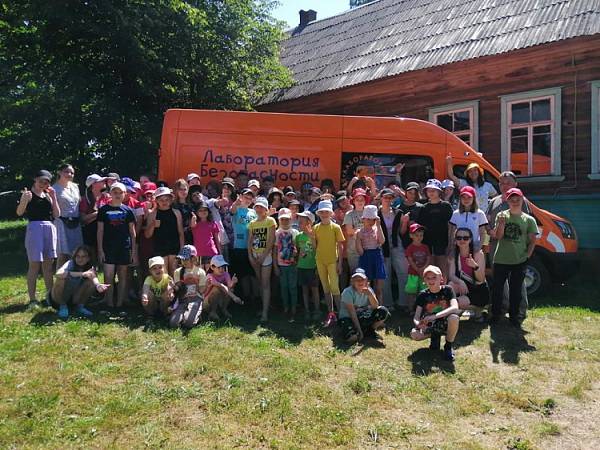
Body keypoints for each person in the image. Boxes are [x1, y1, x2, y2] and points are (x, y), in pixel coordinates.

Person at [486, 171, 531, 320]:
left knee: (517, 281)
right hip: (496, 247)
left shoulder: (521, 201)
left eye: (508, 183)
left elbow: (526, 223)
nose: (504, 186)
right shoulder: (494, 201)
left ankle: (520, 310)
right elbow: (487, 221)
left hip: (515, 247)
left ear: (515, 184)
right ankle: (503, 307)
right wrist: (490, 231)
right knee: (499, 281)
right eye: (501, 183)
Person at [490, 188, 538, 327]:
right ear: (508, 201)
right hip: (501, 259)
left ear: (522, 200)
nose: (515, 202)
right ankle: (496, 315)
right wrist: (501, 224)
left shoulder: (529, 220)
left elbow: (532, 241)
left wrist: (527, 256)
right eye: (512, 199)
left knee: (516, 290)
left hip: (519, 260)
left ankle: (514, 316)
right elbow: (498, 236)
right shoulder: (502, 215)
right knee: (498, 290)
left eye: (518, 199)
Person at [16, 170, 60, 308]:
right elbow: (19, 212)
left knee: (48, 266)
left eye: (46, 182)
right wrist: (24, 200)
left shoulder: (48, 196)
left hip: (49, 228)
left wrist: (54, 197)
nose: (43, 184)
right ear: (35, 179)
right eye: (41, 181)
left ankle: (50, 297)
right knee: (34, 265)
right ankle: (32, 299)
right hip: (35, 229)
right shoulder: (28, 194)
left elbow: (57, 214)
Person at [97, 182, 137, 308]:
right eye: (115, 192)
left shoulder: (128, 210)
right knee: (108, 276)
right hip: (108, 247)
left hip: (124, 247)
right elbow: (100, 231)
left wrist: (133, 251)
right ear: (110, 193)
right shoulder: (103, 210)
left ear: (125, 194)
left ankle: (119, 303)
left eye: (121, 192)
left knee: (122, 275)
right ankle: (109, 303)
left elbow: (132, 232)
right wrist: (100, 249)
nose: (118, 195)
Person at [410, 265, 460, 361]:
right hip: (430, 324)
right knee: (414, 334)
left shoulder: (448, 290)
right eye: (428, 278)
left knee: (454, 318)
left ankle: (448, 346)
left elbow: (455, 307)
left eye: (434, 277)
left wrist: (434, 316)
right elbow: (416, 316)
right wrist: (419, 324)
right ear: (424, 280)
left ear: (441, 278)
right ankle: (435, 336)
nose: (431, 280)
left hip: (445, 323)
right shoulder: (422, 295)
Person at [50, 245, 109, 319]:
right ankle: (62, 306)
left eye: (83, 256)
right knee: (60, 279)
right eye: (78, 256)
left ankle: (80, 307)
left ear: (88, 258)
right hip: (57, 299)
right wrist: (82, 274)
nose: (80, 259)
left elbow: (93, 277)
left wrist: (98, 285)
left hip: (74, 297)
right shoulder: (70, 263)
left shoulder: (90, 267)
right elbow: (58, 274)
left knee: (91, 282)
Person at [390, 181, 422, 311]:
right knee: (406, 274)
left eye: (415, 193)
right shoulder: (399, 208)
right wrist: (405, 223)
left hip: (418, 245)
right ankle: (406, 303)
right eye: (410, 192)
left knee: (419, 274)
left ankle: (419, 303)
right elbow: (401, 232)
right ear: (406, 192)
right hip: (403, 245)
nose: (412, 195)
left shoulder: (421, 207)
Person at [312, 200, 345, 326]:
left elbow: (340, 246)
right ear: (319, 213)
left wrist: (340, 263)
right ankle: (331, 313)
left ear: (331, 213)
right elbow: (315, 246)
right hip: (320, 261)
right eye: (322, 212)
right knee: (325, 288)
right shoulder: (316, 228)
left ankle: (342, 314)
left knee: (335, 288)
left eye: (327, 212)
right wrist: (311, 236)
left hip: (332, 261)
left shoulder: (335, 227)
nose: (324, 214)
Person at [338, 268, 390, 345]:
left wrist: (370, 295)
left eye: (362, 279)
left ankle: (370, 330)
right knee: (353, 338)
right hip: (348, 318)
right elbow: (352, 313)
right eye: (357, 280)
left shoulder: (369, 290)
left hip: (362, 316)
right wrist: (360, 331)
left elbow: (375, 306)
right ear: (352, 281)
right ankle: (360, 331)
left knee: (383, 311)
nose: (360, 282)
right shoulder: (347, 292)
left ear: (366, 281)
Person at [447, 228, 489, 320]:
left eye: (465, 238)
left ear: (470, 240)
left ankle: (477, 311)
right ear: (455, 240)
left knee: (456, 303)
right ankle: (455, 313)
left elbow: (481, 279)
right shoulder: (454, 254)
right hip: (465, 287)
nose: (462, 240)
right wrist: (460, 282)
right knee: (451, 285)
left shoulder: (478, 254)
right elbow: (451, 275)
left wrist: (475, 266)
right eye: (459, 238)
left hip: (479, 290)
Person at [248, 196, 277, 323]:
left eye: (261, 207)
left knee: (265, 283)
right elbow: (250, 240)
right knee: (260, 282)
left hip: (266, 256)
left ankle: (265, 313)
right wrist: (250, 256)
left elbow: (271, 239)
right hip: (255, 255)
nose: (259, 209)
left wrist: (264, 255)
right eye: (257, 207)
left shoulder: (270, 221)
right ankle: (265, 306)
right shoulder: (252, 223)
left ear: (266, 209)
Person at [144, 187, 184, 275]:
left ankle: (175, 285)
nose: (164, 202)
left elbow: (181, 232)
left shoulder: (176, 212)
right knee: (163, 273)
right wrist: (152, 225)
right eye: (161, 200)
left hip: (174, 246)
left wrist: (182, 249)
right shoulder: (152, 214)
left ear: (171, 199)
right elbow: (147, 235)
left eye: (166, 199)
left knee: (174, 272)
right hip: (159, 247)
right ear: (156, 201)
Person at [418, 179, 453, 279]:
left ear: (439, 191)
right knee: (430, 270)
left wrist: (450, 243)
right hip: (428, 243)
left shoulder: (446, 206)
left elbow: (451, 226)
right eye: (429, 190)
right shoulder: (424, 208)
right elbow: (421, 227)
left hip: (442, 242)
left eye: (434, 190)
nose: (431, 192)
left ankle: (444, 287)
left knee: (442, 269)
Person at [229, 188, 258, 301]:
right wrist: (236, 203)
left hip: (253, 247)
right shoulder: (236, 208)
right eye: (246, 197)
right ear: (240, 197)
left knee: (253, 274)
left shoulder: (253, 212)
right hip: (240, 247)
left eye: (250, 198)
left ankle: (255, 298)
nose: (248, 200)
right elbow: (232, 210)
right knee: (244, 274)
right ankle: (246, 298)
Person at [53, 164, 83, 267]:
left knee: (77, 252)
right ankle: (60, 276)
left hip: (75, 223)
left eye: (72, 173)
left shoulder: (75, 187)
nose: (69, 174)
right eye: (66, 171)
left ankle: (75, 275)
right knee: (62, 254)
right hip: (61, 223)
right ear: (59, 172)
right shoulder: (54, 189)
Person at [355, 205, 386, 304]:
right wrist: (358, 239)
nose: (370, 221)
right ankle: (367, 306)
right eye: (368, 219)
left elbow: (381, 241)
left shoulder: (377, 229)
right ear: (363, 219)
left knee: (379, 287)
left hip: (376, 256)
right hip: (366, 257)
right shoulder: (359, 232)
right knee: (366, 285)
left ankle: (379, 307)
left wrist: (379, 225)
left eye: (373, 219)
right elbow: (360, 251)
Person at [273, 208, 300, 322]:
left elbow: (299, 248)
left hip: (293, 265)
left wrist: (297, 260)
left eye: (287, 219)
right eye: (282, 219)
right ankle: (286, 307)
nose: (284, 221)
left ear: (291, 219)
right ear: (279, 220)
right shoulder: (276, 233)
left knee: (293, 287)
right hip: (281, 265)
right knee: (284, 287)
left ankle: (294, 307)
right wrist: (275, 266)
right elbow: (275, 251)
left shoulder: (295, 232)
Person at [170, 245, 206, 329]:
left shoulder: (200, 272)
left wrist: (197, 281)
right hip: (182, 300)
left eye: (186, 259)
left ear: (193, 259)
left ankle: (193, 316)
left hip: (195, 299)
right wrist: (173, 287)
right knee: (173, 324)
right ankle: (184, 315)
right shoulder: (178, 272)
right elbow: (178, 289)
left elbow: (201, 291)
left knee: (188, 323)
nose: (183, 261)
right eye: (182, 259)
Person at [295, 211, 321, 321]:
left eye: (301, 222)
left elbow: (317, 249)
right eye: (299, 221)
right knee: (304, 290)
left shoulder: (315, 235)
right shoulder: (298, 236)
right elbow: (297, 250)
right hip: (301, 266)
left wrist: (312, 238)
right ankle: (307, 310)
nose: (299, 224)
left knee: (315, 290)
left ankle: (317, 310)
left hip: (313, 266)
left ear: (309, 223)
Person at [448, 186, 490, 252]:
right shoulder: (455, 214)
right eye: (463, 197)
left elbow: (482, 233)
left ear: (474, 199)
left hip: (474, 247)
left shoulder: (480, 213)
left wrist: (479, 247)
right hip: (459, 248)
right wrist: (451, 247)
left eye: (469, 197)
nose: (466, 200)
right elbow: (452, 232)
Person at [203, 255, 243, 321]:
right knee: (216, 288)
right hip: (207, 303)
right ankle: (213, 312)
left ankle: (223, 309)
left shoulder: (226, 274)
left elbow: (230, 286)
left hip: (219, 300)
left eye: (223, 267)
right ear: (212, 267)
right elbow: (221, 286)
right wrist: (234, 297)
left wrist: (233, 282)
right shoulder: (209, 276)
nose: (221, 269)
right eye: (219, 267)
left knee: (231, 289)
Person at [377, 188, 397, 309]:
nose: (388, 200)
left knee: (402, 271)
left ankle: (404, 302)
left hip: (395, 244)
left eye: (390, 198)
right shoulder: (376, 213)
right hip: (381, 245)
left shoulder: (397, 212)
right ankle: (388, 303)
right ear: (381, 198)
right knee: (386, 273)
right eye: (385, 197)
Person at [405, 223, 431, 313]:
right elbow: (410, 260)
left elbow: (428, 258)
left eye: (421, 235)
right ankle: (411, 309)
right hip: (413, 274)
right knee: (411, 292)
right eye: (416, 235)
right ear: (411, 236)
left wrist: (424, 268)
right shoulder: (410, 248)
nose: (419, 237)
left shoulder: (425, 247)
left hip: (423, 274)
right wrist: (417, 269)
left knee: (423, 292)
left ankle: (423, 310)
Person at [190, 201, 221, 271]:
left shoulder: (213, 223)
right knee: (200, 274)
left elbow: (217, 239)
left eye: (205, 210)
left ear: (208, 211)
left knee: (210, 274)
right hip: (198, 253)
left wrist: (220, 253)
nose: (203, 212)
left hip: (211, 252)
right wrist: (193, 218)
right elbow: (192, 225)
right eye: (200, 210)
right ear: (197, 212)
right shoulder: (195, 223)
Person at [343, 188, 368, 273]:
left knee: (368, 275)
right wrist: (365, 230)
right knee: (355, 275)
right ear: (353, 201)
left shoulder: (369, 213)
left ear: (365, 201)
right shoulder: (349, 214)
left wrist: (357, 230)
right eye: (357, 200)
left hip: (368, 249)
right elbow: (349, 231)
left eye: (362, 199)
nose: (360, 202)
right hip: (353, 250)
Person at [80, 174, 106, 249]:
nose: (104, 182)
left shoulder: (106, 197)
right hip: (90, 234)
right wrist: (99, 213)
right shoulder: (84, 200)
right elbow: (83, 219)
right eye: (101, 181)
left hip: (105, 232)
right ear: (93, 184)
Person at [172, 178, 194, 245]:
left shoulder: (191, 205)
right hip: (175, 236)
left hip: (190, 236)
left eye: (185, 189)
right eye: (180, 189)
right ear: (176, 191)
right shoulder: (172, 205)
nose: (183, 191)